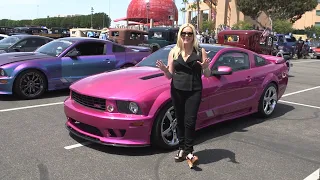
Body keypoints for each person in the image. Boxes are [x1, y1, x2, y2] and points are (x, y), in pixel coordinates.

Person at [156, 23, 211, 169]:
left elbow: (208, 74)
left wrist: (205, 67)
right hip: (177, 89)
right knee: (179, 120)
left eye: (189, 33)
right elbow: (169, 76)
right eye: (183, 33)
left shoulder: (200, 51)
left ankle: (189, 151)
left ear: (193, 35)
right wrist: (164, 70)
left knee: (190, 121)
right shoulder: (174, 52)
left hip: (194, 90)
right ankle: (182, 149)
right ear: (180, 35)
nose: (186, 36)